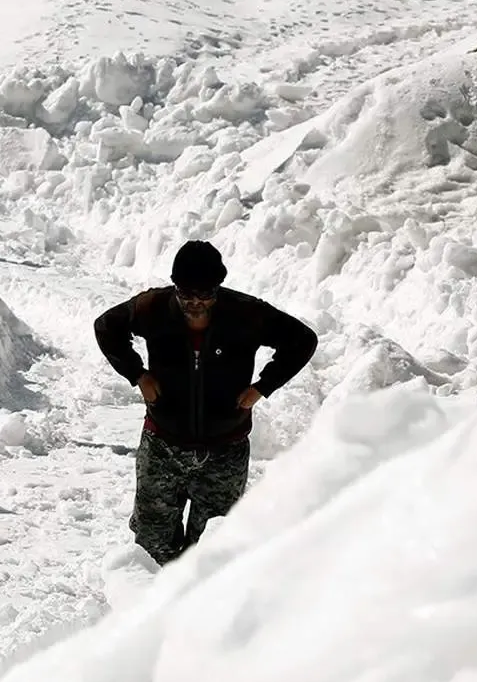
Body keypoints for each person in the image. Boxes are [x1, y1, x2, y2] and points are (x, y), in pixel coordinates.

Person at [93, 240, 318, 565]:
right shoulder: (153, 308)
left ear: (218, 288)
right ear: (175, 286)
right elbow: (106, 327)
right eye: (186, 295)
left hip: (225, 452)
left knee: (211, 554)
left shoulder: (245, 314)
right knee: (152, 547)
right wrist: (138, 374)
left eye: (205, 295)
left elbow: (302, 340)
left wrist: (262, 387)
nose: (195, 304)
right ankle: (153, 598)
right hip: (162, 446)